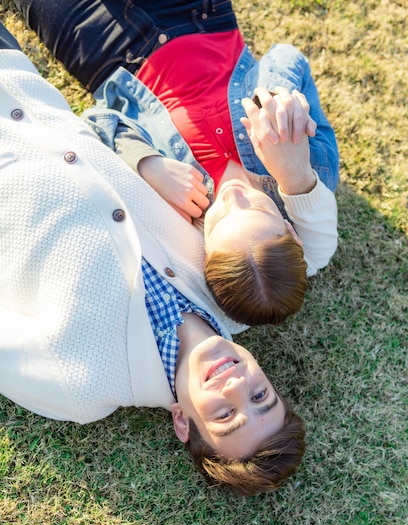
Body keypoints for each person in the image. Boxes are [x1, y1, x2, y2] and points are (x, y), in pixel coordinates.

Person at [0, 21, 305, 497]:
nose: (235, 385)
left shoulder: (81, 385)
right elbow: (309, 240)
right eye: (260, 395)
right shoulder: (228, 283)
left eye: (225, 416)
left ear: (184, 423)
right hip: (14, 73)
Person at [13, 0, 339, 327]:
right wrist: (276, 99)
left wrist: (147, 164)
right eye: (258, 210)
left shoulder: (172, 216)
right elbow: (285, 55)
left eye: (220, 221)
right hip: (199, 16)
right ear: (292, 232)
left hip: (103, 52)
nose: (232, 197)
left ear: (205, 252)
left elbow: (98, 122)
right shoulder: (307, 164)